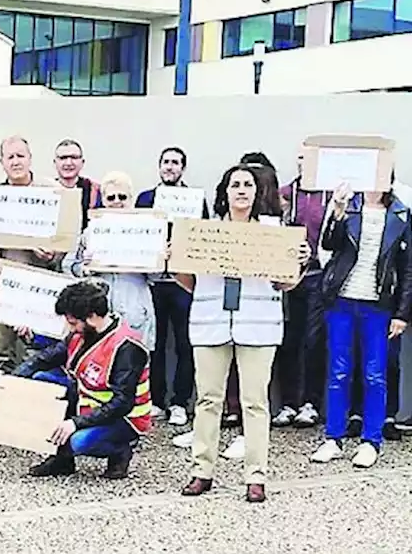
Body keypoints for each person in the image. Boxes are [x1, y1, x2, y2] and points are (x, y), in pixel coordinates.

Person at [181, 163, 307, 504]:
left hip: (258, 325)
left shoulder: (273, 234)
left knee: (255, 402)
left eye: (247, 185)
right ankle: (201, 471)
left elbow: (286, 283)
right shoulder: (203, 234)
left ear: (257, 192)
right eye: (234, 184)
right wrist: (174, 261)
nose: (240, 190)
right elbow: (188, 282)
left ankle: (256, 476)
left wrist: (298, 263)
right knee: (208, 400)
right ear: (224, 192)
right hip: (211, 323)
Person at [309, 180, 412, 468]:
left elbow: (408, 269)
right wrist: (338, 212)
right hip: (342, 299)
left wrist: (402, 313)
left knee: (375, 374)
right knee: (339, 371)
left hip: (378, 305)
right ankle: (333, 438)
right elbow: (329, 243)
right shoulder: (349, 207)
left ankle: (371, 441)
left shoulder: (400, 215)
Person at [19, 279, 151, 480]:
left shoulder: (126, 347)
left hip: (124, 418)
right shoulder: (82, 334)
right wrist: (8, 382)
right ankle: (62, 459)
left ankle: (120, 450)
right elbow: (45, 358)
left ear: (92, 317)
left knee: (78, 442)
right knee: (40, 379)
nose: (69, 328)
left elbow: (122, 403)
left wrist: (75, 423)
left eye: (72, 322)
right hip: (87, 402)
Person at [135, 146, 205, 427]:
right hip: (153, 281)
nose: (170, 167)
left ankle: (180, 402)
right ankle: (156, 400)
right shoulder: (145, 199)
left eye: (176, 163)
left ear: (183, 169)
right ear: (159, 166)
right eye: (166, 162)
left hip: (184, 281)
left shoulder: (195, 200)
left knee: (186, 343)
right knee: (155, 343)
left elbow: (202, 236)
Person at [0, 136, 61, 372]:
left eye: (20, 156)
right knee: (2, 353)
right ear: (2, 162)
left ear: (30, 159)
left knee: (32, 354)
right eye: (10, 157)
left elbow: (63, 239)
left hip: (37, 285)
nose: (16, 162)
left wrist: (52, 254)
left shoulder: (51, 192)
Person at [63, 171, 156, 351]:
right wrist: (85, 267)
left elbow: (157, 276)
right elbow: (68, 266)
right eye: (111, 197)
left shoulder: (147, 232)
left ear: (131, 199)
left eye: (122, 197)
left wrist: (155, 259)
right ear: (103, 200)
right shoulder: (90, 232)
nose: (116, 201)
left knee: (133, 367)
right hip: (97, 315)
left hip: (134, 309)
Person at [274, 144, 331, 429]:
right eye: (300, 158)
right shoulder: (285, 194)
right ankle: (288, 403)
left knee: (314, 341)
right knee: (289, 340)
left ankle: (311, 403)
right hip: (288, 279)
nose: (304, 163)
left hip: (319, 276)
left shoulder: (330, 195)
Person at [52, 138, 101, 229]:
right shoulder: (47, 190)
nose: (68, 163)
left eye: (74, 157)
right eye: (63, 158)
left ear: (82, 162)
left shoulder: (95, 190)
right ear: (55, 163)